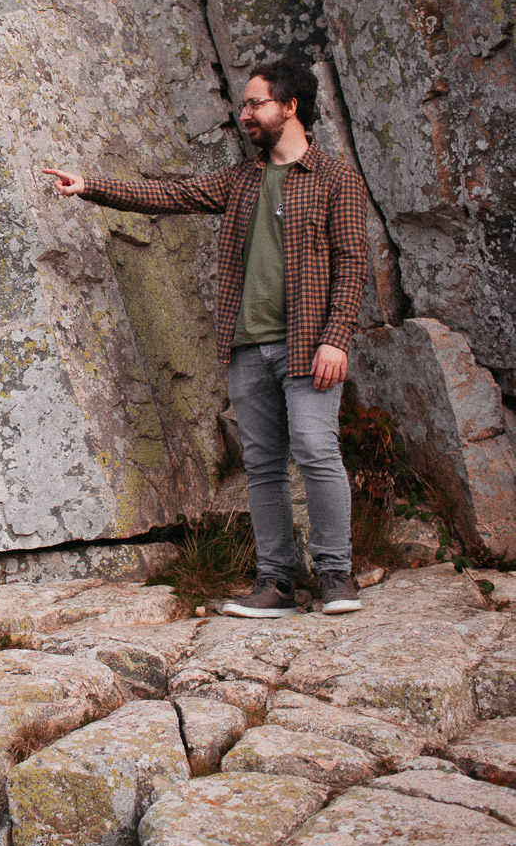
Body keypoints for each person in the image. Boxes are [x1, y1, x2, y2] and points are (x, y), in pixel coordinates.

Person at [43, 56, 368, 617]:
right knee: (263, 464)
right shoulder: (242, 179)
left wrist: (336, 338)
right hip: (245, 347)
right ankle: (277, 584)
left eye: (256, 103)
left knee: (316, 450)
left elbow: (353, 263)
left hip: (309, 345)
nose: (245, 114)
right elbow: (171, 196)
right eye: (243, 105)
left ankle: (336, 575)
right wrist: (91, 186)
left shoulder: (337, 178)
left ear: (290, 107)